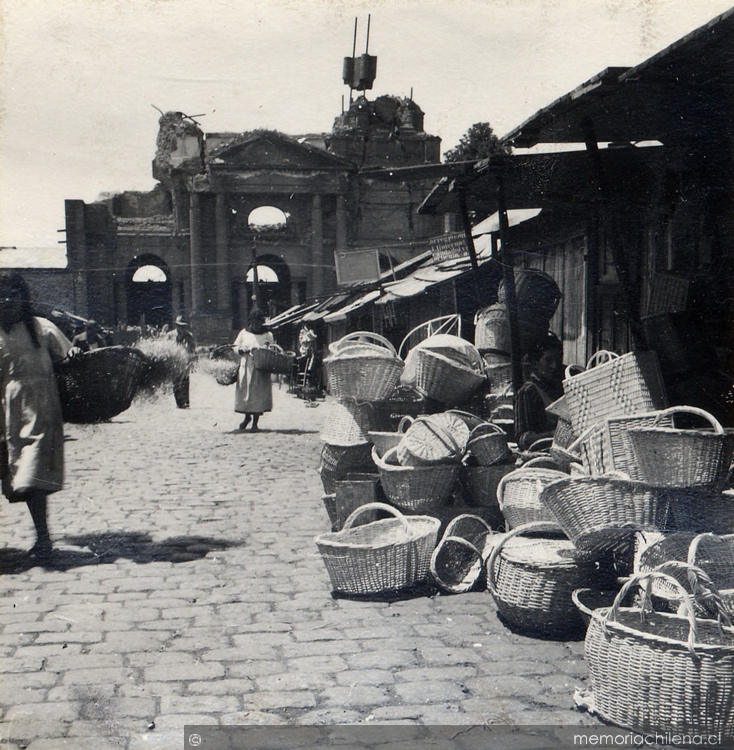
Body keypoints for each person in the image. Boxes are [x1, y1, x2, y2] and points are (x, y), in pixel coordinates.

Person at [0, 272, 79, 561]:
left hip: (39, 409)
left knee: (32, 474)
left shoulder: (41, 328)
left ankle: (43, 538)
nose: (7, 300)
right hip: (5, 412)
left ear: (23, 298)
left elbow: (69, 359)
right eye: (2, 294)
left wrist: (77, 358)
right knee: (14, 473)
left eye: (13, 294)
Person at [514, 335, 565, 452]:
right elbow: (522, 439)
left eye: (558, 360)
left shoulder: (557, 387)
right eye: (548, 360)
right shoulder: (527, 392)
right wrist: (553, 435)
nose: (555, 366)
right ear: (535, 363)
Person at [234, 308, 274, 431]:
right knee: (247, 393)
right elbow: (235, 346)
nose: (256, 325)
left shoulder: (267, 335)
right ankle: (247, 417)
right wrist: (241, 350)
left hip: (261, 368)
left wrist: (267, 350)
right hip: (247, 367)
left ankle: (255, 422)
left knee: (258, 395)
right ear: (250, 322)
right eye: (254, 322)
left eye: (258, 322)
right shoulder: (244, 333)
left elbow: (273, 349)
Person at [171, 315, 196, 409]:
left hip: (185, 361)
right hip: (174, 361)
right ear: (176, 326)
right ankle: (179, 402)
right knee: (176, 381)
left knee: (185, 381)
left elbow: (193, 349)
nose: (181, 328)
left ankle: (185, 401)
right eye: (179, 326)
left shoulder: (189, 336)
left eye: (183, 326)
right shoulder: (170, 335)